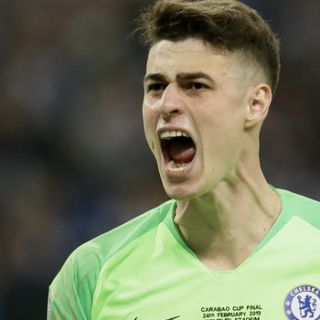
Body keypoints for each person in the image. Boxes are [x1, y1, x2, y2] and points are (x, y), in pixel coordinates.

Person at [48, 1, 320, 319]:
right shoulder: (91, 274)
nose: (167, 104)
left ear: (255, 103)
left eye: (195, 86)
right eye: (156, 87)